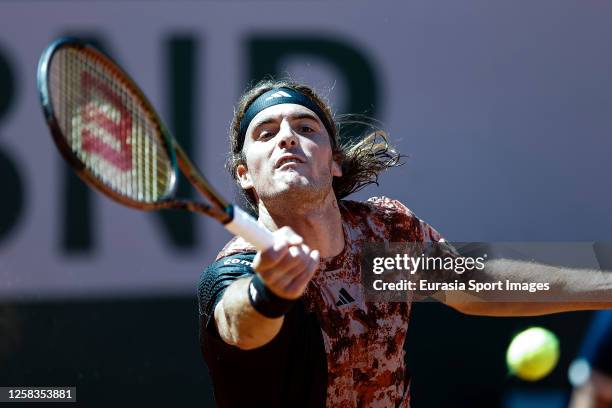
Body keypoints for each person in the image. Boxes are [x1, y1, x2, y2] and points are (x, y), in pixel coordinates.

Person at [197, 80, 612, 407]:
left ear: (335, 162)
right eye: (266, 133)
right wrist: (268, 292)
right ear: (244, 174)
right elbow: (239, 327)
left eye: (305, 128)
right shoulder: (236, 269)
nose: (286, 137)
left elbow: (474, 284)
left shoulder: (379, 240)